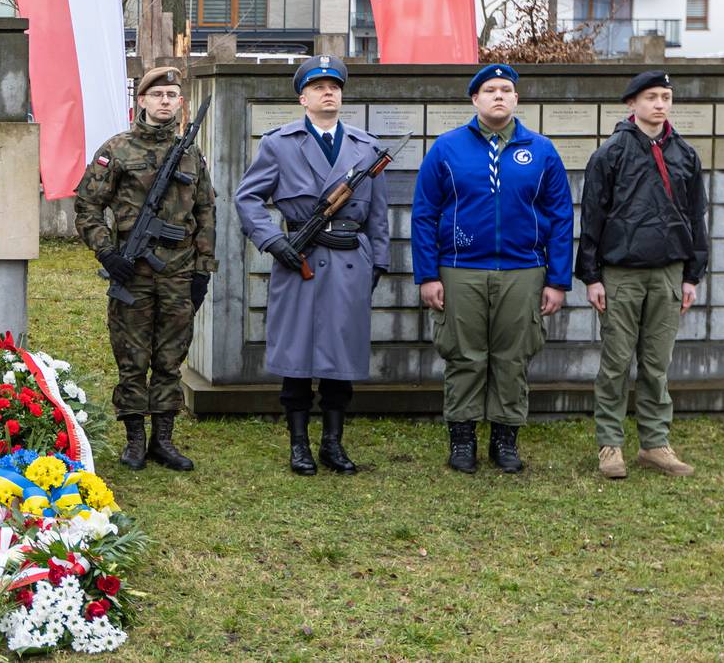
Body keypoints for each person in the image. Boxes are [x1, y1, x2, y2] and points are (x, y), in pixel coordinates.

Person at [413, 63, 574, 474]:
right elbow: (424, 214)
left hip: (523, 270)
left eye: (506, 89)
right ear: (475, 99)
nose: (498, 95)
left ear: (516, 98)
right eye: (490, 90)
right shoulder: (446, 148)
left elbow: (561, 216)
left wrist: (558, 280)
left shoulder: (541, 150)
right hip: (459, 269)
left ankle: (505, 438)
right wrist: (428, 275)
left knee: (512, 357)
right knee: (464, 356)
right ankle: (462, 439)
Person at [234, 56, 389, 476]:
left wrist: (377, 261)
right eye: (318, 87)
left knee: (341, 354)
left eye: (334, 87)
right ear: (303, 98)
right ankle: (299, 444)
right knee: (297, 354)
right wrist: (273, 241)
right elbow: (247, 197)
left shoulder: (366, 147)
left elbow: (378, 213)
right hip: (298, 258)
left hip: (349, 262)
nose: (328, 93)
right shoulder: (279, 143)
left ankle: (333, 444)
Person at [73, 66, 215, 473]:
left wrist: (203, 269)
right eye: (157, 95)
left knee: (170, 358)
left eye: (171, 95)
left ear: (180, 103)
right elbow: (87, 205)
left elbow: (206, 211)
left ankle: (163, 440)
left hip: (179, 271)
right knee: (132, 358)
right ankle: (135, 439)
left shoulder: (191, 154)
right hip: (131, 272)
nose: (165, 101)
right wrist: (107, 254)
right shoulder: (118, 150)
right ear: (142, 101)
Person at [577, 70, 708, 480]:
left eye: (666, 96)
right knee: (616, 363)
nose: (660, 104)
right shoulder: (610, 154)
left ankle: (654, 444)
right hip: (621, 273)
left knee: (656, 364)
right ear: (632, 103)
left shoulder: (685, 154)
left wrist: (692, 275)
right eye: (651, 97)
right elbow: (592, 217)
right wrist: (592, 276)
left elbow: (696, 218)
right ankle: (610, 445)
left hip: (668, 273)